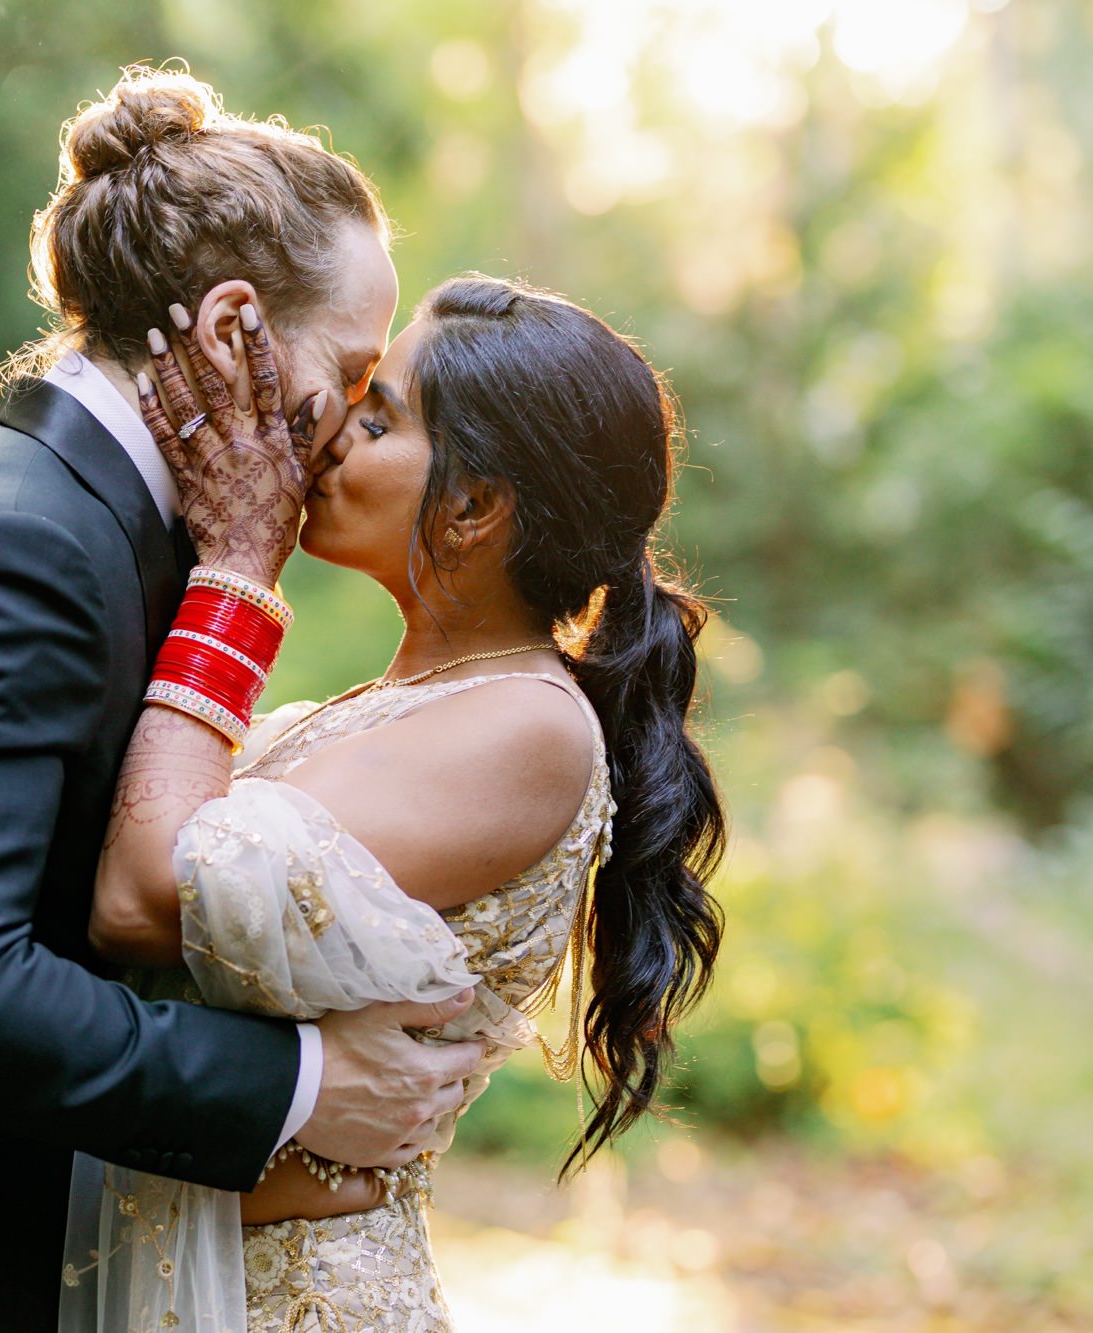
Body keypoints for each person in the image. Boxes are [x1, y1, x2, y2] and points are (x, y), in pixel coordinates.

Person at [0, 67, 485, 1332]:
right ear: (233, 331)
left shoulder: (67, 519)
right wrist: (293, 1083)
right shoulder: (15, 549)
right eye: (347, 367)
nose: (340, 427)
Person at [66, 271, 727, 1330]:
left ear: (473, 506)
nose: (327, 435)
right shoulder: (392, 708)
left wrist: (238, 575)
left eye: (376, 418)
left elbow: (143, 892)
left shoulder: (528, 730)